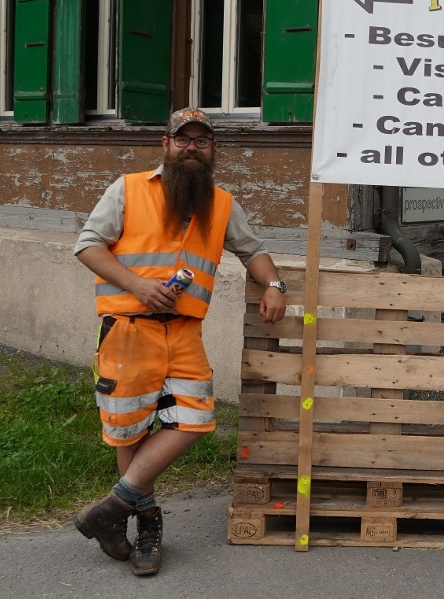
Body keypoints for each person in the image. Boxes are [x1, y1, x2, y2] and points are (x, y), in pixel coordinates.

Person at [71, 107, 287, 576]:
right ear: (165, 145)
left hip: (185, 332)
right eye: (183, 139)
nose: (192, 147)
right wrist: (137, 285)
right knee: (130, 431)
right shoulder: (127, 188)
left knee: (194, 421)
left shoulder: (222, 203)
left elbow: (253, 250)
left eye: (201, 141)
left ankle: (110, 510)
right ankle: (146, 528)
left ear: (212, 151)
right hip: (128, 329)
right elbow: (87, 244)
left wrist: (274, 285)